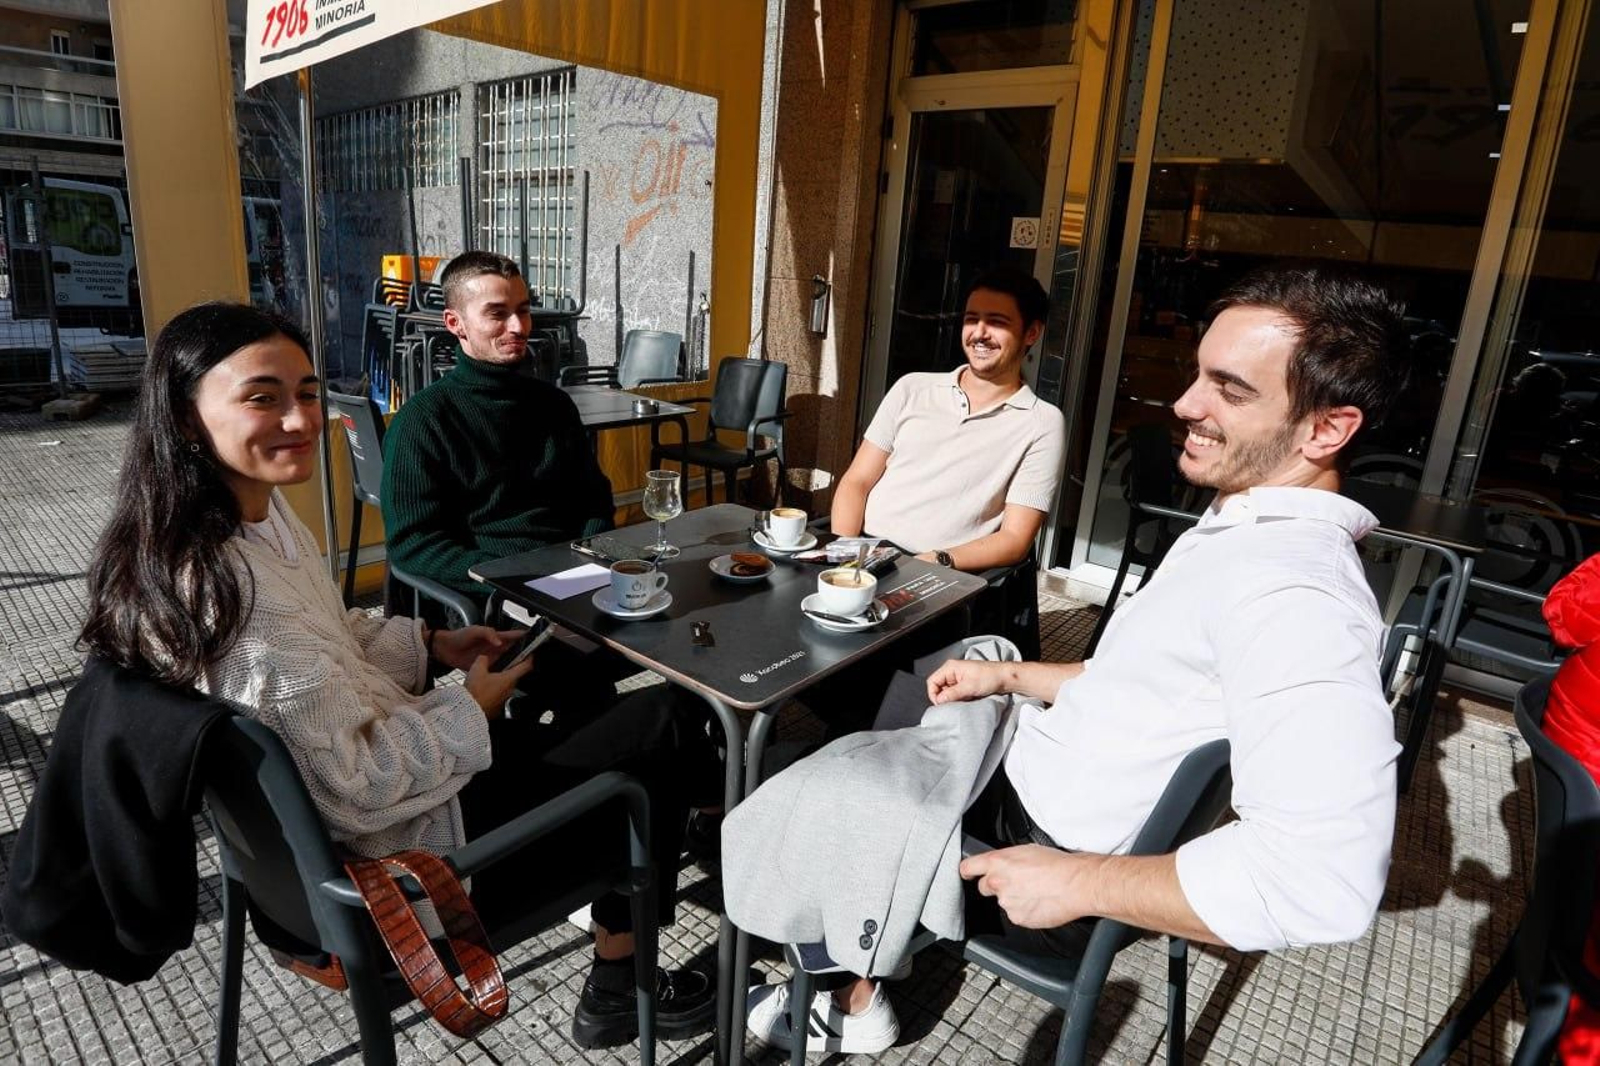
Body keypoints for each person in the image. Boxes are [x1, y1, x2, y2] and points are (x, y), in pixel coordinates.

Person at [746, 262, 1409, 1054]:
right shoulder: (1246, 533)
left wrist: (1080, 882)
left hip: (1037, 838)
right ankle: (860, 936)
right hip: (1028, 775)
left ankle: (847, 1001)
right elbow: (1147, 684)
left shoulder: (1297, 593)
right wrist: (1009, 675)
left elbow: (1325, 878)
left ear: (1326, 430)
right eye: (1199, 374)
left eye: (1230, 390)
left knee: (795, 780)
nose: (1185, 404)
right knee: (878, 721)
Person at [76, 302, 718, 1049]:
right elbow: (355, 786)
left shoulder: (244, 524)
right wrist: (471, 709)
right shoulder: (233, 600)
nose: (300, 419)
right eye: (262, 397)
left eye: (307, 392)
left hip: (393, 814)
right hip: (403, 874)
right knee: (657, 745)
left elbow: (333, 640)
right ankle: (625, 968)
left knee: (636, 724)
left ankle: (694, 824)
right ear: (187, 418)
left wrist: (434, 645)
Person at [381, 251, 615, 605]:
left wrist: (590, 558)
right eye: (497, 314)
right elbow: (413, 545)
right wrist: (511, 580)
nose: (519, 327)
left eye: (523, 310)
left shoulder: (555, 406)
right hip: (493, 600)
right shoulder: (423, 421)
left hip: (577, 581)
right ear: (455, 323)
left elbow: (594, 498)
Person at [830, 264, 1066, 572]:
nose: (979, 333)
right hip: (864, 552)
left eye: (997, 322)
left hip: (943, 569)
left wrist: (933, 562)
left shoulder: (1041, 423)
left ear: (1031, 333)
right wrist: (844, 556)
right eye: (972, 319)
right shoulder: (912, 388)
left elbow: (1014, 539)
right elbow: (857, 481)